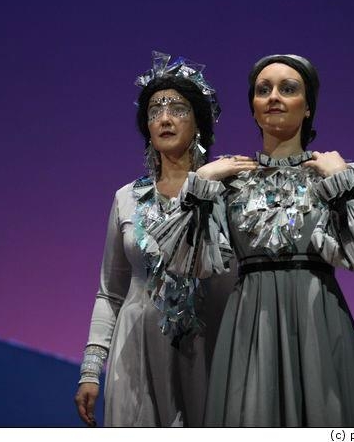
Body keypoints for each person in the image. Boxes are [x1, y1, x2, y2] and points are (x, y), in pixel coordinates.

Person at [153, 54, 354, 426]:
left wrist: (340, 183)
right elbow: (183, 259)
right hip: (250, 325)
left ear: (308, 107)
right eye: (263, 90)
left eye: (288, 89)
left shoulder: (340, 174)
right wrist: (200, 183)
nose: (274, 97)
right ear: (253, 108)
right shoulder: (227, 179)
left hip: (317, 321)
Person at [74, 52, 238, 427]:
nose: (164, 118)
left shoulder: (228, 191)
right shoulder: (127, 198)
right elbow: (110, 292)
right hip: (136, 353)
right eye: (154, 111)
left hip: (208, 349)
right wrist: (90, 369)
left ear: (199, 122)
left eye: (177, 109)